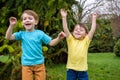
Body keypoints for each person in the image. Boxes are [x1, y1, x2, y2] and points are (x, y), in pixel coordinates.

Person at [5, 10, 66, 80]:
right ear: (22, 23)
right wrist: (11, 26)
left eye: (30, 18)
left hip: (39, 64)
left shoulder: (40, 33)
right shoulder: (21, 34)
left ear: (36, 22)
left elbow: (51, 43)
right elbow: (8, 37)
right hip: (26, 64)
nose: (27, 20)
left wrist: (58, 38)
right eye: (25, 19)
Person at [60, 9, 98, 80]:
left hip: (83, 70)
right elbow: (65, 29)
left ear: (85, 34)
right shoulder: (70, 39)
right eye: (76, 29)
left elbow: (92, 30)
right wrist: (64, 17)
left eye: (81, 30)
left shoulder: (86, 40)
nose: (78, 31)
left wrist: (94, 19)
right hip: (71, 69)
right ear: (73, 32)